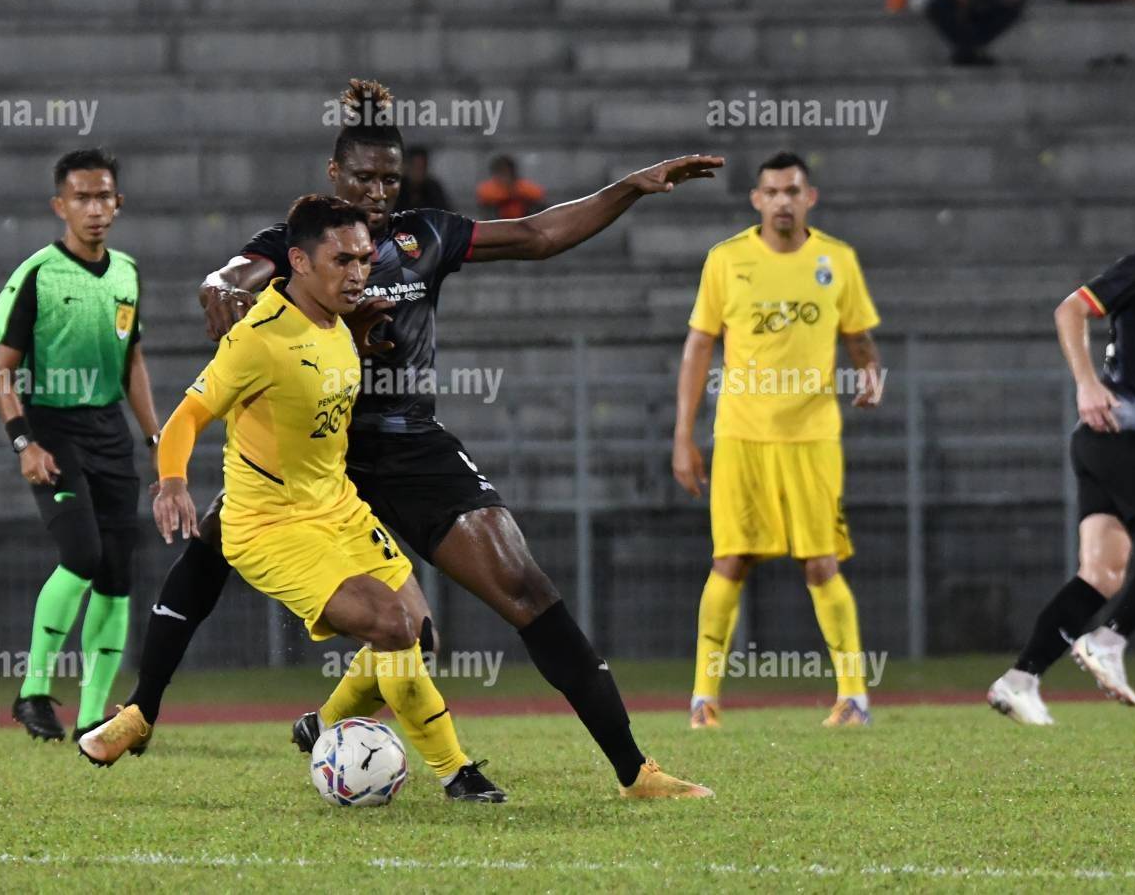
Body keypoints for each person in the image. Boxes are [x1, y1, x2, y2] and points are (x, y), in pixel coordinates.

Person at [97, 78, 721, 799]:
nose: (378, 189)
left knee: (520, 586)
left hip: (408, 442)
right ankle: (143, 708)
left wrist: (631, 188)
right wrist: (220, 283)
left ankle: (633, 770)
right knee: (215, 542)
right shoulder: (300, 242)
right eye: (363, 176)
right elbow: (237, 272)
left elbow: (539, 234)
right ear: (335, 176)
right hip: (311, 450)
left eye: (391, 176)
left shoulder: (424, 235)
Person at [85, 195, 509, 801]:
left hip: (337, 507)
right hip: (269, 525)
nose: (359, 272)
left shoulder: (342, 317)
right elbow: (186, 417)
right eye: (342, 260)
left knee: (417, 633)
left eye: (364, 258)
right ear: (299, 262)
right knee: (390, 625)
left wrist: (362, 333)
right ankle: (457, 773)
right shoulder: (258, 337)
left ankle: (323, 727)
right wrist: (173, 482)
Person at [674, 152, 884, 730]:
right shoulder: (727, 260)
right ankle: (703, 700)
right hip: (741, 433)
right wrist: (683, 437)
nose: (783, 201)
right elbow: (698, 347)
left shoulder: (836, 261)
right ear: (757, 200)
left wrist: (869, 372)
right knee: (729, 560)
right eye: (772, 191)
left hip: (813, 435)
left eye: (793, 190)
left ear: (809, 198)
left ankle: (853, 697)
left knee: (822, 562)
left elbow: (858, 333)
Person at [0, 149, 161, 744]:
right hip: (53, 428)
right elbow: (1, 372)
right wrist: (23, 444)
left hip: (110, 429)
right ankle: (34, 690)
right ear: (59, 205)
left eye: (104, 196)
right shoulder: (37, 272)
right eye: (82, 198)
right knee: (83, 556)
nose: (95, 208)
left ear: (118, 202)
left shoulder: (127, 273)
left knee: (116, 574)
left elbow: (133, 360)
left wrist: (156, 438)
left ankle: (91, 718)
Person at [989, 246, 1135, 723]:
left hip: (1116, 445)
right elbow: (1071, 308)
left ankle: (1019, 680)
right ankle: (1108, 641)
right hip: (1122, 433)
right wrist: (1086, 382)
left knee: (1102, 573)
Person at [475, 155, 545, 220]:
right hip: (498, 223)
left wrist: (514, 191)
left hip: (523, 222)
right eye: (500, 172)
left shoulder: (525, 186)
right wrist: (510, 194)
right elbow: (487, 198)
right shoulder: (488, 188)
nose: (504, 176)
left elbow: (537, 196)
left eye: (506, 171)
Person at [392, 145, 452, 213]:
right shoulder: (397, 189)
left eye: (423, 167)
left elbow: (445, 214)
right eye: (416, 167)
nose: (419, 172)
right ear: (407, 166)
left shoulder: (433, 189)